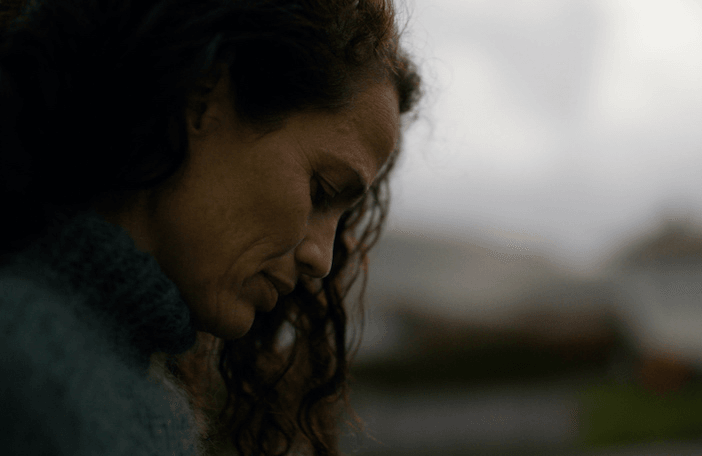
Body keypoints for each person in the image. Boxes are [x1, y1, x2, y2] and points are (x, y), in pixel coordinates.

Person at [0, 0, 421, 455]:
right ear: (203, 98)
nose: (321, 258)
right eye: (321, 190)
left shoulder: (138, 390)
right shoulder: (23, 366)